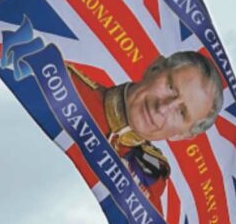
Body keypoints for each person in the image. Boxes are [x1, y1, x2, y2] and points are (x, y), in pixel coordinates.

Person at [68, 50, 223, 201]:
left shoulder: (151, 183)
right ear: (154, 68)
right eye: (170, 87)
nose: (163, 108)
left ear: (181, 135)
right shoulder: (66, 83)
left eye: (181, 113)